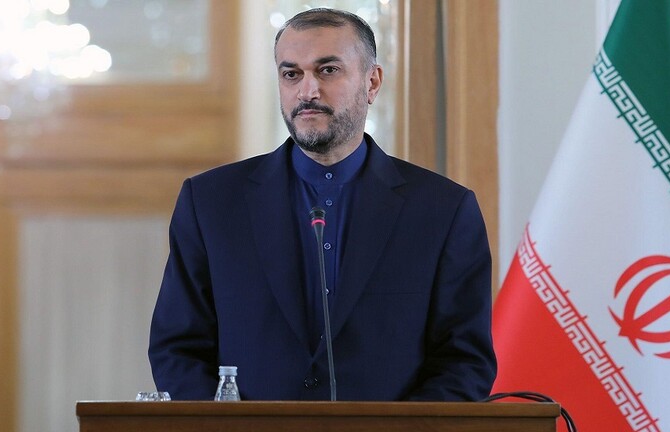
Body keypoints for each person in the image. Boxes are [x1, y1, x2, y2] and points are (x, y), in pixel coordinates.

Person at [148, 7, 496, 401]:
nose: (307, 91)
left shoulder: (443, 210)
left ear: (372, 82)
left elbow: (464, 362)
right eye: (291, 74)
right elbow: (177, 349)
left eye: (328, 70)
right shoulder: (210, 202)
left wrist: (397, 429)